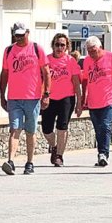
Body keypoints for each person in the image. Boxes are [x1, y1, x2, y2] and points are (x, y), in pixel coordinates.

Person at [0, 22, 50, 175]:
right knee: (15, 129)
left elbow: (46, 72)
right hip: (14, 97)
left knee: (30, 130)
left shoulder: (36, 49)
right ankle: (11, 160)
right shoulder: (8, 51)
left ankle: (30, 162)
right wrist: (2, 95)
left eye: (22, 35)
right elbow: (5, 73)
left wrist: (46, 94)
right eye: (17, 35)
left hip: (32, 97)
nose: (19, 38)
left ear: (28, 33)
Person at [79, 36, 112, 167]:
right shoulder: (86, 61)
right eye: (89, 51)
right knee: (98, 129)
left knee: (105, 126)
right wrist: (83, 97)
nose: (91, 54)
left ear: (100, 47)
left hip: (109, 98)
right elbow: (85, 79)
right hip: (93, 100)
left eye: (93, 50)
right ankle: (101, 152)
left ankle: (103, 154)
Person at [42, 33, 81, 167]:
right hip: (49, 98)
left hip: (67, 98)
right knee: (46, 129)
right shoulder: (46, 60)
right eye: (57, 44)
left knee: (62, 127)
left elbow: (76, 83)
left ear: (67, 47)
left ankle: (59, 156)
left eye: (62, 45)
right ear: (53, 45)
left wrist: (80, 103)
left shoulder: (71, 61)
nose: (59, 47)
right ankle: (55, 146)